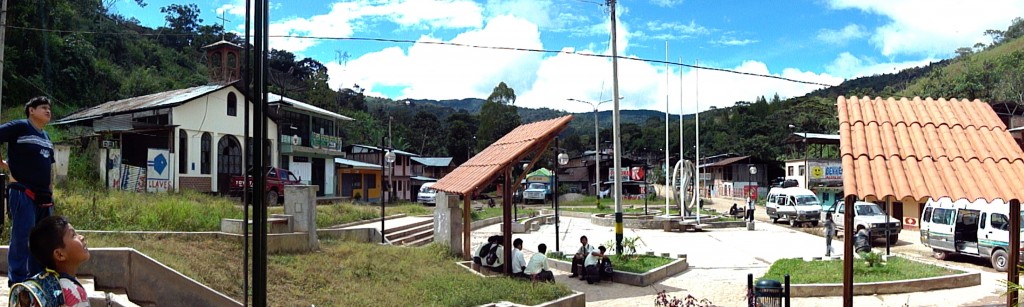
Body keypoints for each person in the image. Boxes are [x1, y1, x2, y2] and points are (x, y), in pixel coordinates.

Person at [0, 96, 56, 286]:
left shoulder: (47, 138)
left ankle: (36, 280)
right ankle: (16, 281)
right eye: (43, 107)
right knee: (22, 236)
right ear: (31, 110)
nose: (48, 111)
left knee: (41, 241)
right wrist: (2, 164)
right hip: (23, 192)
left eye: (49, 108)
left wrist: (51, 193)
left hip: (43, 197)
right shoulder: (20, 127)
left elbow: (49, 168)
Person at [9, 215, 90, 307]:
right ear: (60, 254)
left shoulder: (42, 282)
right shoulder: (74, 292)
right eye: (73, 235)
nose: (81, 237)